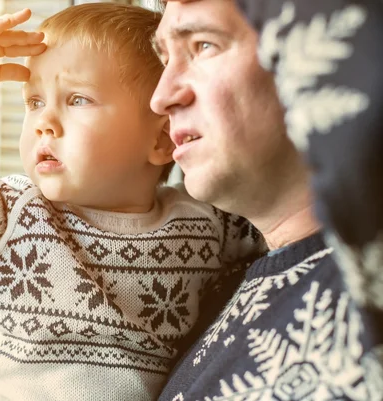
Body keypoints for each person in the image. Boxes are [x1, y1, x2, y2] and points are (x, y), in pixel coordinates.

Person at [0, 3, 263, 400]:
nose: (43, 122)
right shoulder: (15, 214)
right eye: (34, 101)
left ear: (161, 140)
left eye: (77, 100)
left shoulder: (206, 224)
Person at [150, 1, 383, 400]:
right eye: (165, 58)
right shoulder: (206, 292)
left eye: (204, 45)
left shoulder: (370, 291)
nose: (161, 97)